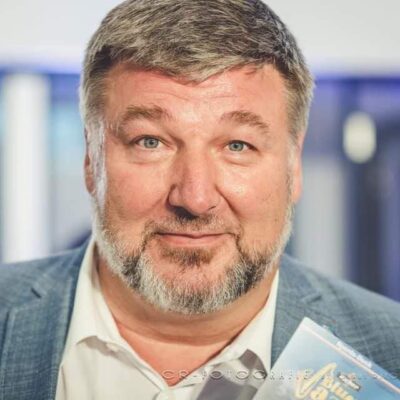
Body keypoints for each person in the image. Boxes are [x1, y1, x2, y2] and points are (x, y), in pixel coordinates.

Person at [0, 1, 399, 399]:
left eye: (237, 146)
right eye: (150, 142)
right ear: (91, 159)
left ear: (293, 166)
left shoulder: (390, 351)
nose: (194, 198)